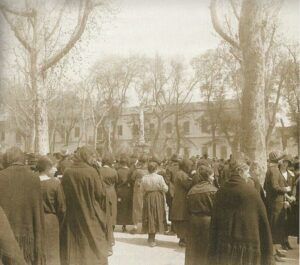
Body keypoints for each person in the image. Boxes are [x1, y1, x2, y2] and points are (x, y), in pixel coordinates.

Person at [208, 162, 274, 265]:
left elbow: (215, 218)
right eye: (247, 172)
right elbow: (262, 218)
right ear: (240, 172)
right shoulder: (251, 192)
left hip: (225, 242)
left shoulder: (221, 191)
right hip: (247, 243)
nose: (248, 175)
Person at [60, 146, 108, 265]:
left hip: (72, 212)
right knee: (92, 238)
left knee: (75, 239)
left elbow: (63, 192)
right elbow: (100, 193)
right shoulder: (91, 172)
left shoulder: (67, 171)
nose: (93, 159)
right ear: (87, 156)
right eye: (92, 156)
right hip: (90, 210)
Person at [0, 147, 46, 265]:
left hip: (5, 236)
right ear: (22, 159)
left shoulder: (1, 177)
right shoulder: (34, 178)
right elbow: (38, 209)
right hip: (28, 235)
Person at [185, 166, 217, 265]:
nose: (213, 178)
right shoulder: (213, 190)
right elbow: (217, 209)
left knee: (194, 250)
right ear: (208, 177)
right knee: (207, 249)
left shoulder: (191, 190)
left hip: (193, 222)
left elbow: (187, 209)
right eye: (212, 176)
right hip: (208, 222)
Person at [36, 156, 66, 265]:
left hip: (35, 219)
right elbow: (62, 208)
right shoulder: (55, 184)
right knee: (52, 251)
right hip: (51, 221)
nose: (55, 169)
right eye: (53, 167)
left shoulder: (32, 182)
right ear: (47, 169)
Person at [264, 151, 293, 261]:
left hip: (274, 202)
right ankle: (272, 255)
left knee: (274, 227)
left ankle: (275, 251)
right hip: (276, 204)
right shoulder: (275, 170)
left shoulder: (271, 169)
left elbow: (266, 187)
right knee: (275, 228)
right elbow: (275, 187)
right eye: (281, 159)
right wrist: (285, 189)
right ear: (278, 160)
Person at [141, 161, 168, 247]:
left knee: (149, 215)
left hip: (148, 197)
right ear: (156, 169)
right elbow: (165, 189)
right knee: (156, 214)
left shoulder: (144, 178)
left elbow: (142, 189)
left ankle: (150, 237)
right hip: (157, 197)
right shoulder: (159, 177)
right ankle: (153, 237)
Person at [170, 159, 193, 247]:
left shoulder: (180, 173)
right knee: (183, 219)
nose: (190, 168)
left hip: (180, 199)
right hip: (182, 200)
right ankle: (183, 240)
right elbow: (188, 185)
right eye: (189, 166)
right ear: (185, 166)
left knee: (183, 220)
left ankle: (183, 239)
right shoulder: (182, 174)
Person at [100, 154, 118, 250]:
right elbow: (116, 182)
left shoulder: (98, 170)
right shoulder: (113, 171)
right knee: (112, 213)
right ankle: (111, 234)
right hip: (111, 192)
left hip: (102, 192)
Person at [130, 156, 148, 233]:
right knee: (145, 208)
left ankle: (135, 226)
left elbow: (132, 178)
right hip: (146, 190)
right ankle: (145, 226)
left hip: (138, 190)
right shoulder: (148, 171)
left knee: (136, 207)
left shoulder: (137, 171)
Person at [164, 154, 180, 235]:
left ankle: (173, 229)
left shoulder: (169, 168)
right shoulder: (181, 168)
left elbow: (167, 181)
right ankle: (178, 229)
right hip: (180, 192)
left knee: (171, 209)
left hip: (172, 192)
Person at [116, 155, 133, 232]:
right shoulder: (130, 171)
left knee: (119, 208)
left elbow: (116, 182)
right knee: (127, 208)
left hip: (119, 191)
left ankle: (117, 223)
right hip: (128, 191)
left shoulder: (117, 171)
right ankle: (124, 225)